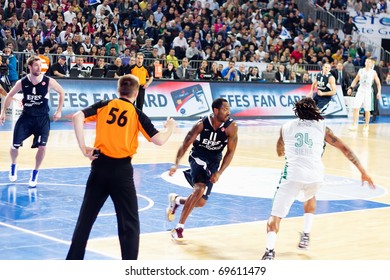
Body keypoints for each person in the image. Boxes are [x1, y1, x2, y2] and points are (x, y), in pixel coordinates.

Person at [66, 74, 176, 260]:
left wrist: (83, 148)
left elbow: (77, 116)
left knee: (85, 219)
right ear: (135, 93)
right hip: (122, 171)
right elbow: (159, 140)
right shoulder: (136, 114)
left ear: (118, 90)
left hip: (99, 167)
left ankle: (73, 261)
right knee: (129, 224)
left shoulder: (105, 105)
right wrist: (170, 127)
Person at [261, 97, 375, 260]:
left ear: (297, 112)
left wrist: (289, 149)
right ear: (314, 110)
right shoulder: (323, 128)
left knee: (275, 215)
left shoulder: (286, 127)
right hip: (315, 177)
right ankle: (306, 234)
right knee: (311, 195)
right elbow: (345, 149)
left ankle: (269, 252)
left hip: (292, 176)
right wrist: (363, 171)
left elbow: (280, 151)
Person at [167, 98, 238, 243]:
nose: (228, 112)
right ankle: (179, 229)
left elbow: (230, 152)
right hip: (198, 156)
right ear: (216, 110)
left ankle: (176, 200)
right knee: (199, 189)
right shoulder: (200, 125)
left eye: (228, 108)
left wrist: (219, 172)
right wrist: (176, 163)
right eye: (225, 109)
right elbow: (185, 144)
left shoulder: (231, 127)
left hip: (213, 162)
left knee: (200, 202)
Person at [0, 56, 65, 188]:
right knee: (14, 146)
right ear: (29, 67)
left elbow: (61, 92)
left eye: (40, 65)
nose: (39, 68)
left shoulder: (48, 81)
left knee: (42, 147)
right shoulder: (22, 82)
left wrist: (59, 110)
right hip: (26, 118)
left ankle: (35, 172)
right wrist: (3, 112)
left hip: (42, 119)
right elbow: (9, 95)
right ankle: (13, 165)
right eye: (36, 65)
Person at [347, 58, 382, 132]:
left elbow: (378, 83)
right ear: (365, 63)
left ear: (372, 64)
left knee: (367, 110)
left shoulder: (373, 72)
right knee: (356, 108)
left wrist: (379, 92)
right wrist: (351, 88)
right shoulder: (361, 71)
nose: (368, 63)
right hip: (360, 91)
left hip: (368, 92)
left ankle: (366, 125)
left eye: (369, 62)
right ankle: (354, 124)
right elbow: (355, 80)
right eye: (367, 62)